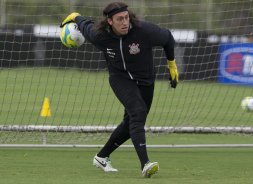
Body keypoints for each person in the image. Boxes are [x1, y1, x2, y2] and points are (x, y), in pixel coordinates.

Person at [60, 1, 179, 178]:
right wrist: (74, 16)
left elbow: (168, 37)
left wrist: (172, 65)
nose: (125, 22)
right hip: (120, 79)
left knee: (130, 123)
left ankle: (101, 156)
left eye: (126, 17)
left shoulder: (144, 31)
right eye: (119, 19)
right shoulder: (98, 36)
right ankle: (145, 164)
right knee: (138, 113)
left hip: (146, 80)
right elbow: (83, 23)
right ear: (110, 21)